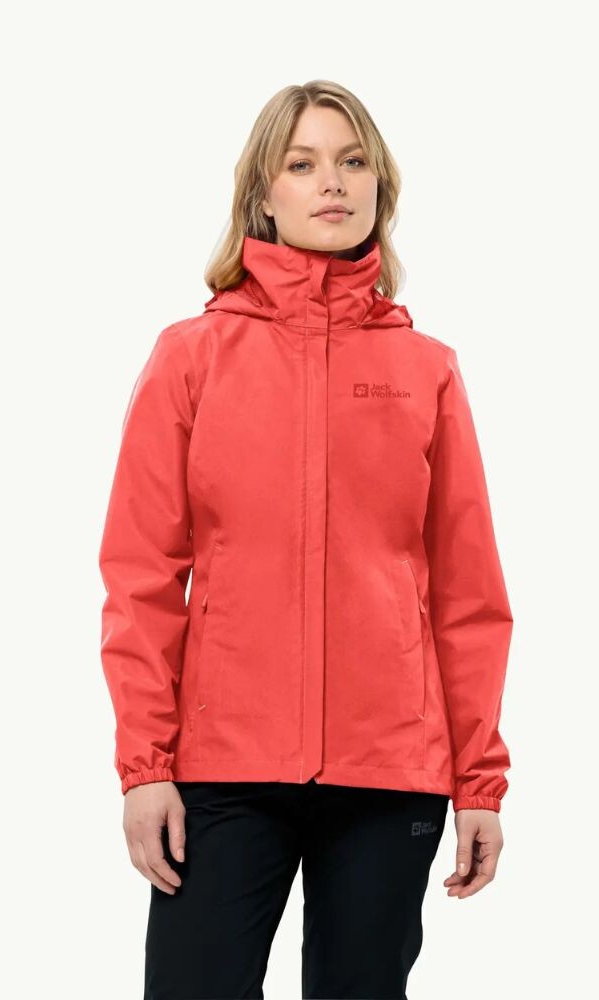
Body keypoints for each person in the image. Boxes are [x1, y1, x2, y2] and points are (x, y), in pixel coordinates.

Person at [98, 79, 514, 1000]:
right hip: (220, 773)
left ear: (380, 186)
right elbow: (141, 579)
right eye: (303, 163)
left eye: (353, 161)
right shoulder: (191, 358)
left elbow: (469, 595)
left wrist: (478, 781)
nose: (333, 182)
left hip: (390, 775)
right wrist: (145, 768)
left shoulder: (426, 372)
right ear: (264, 193)